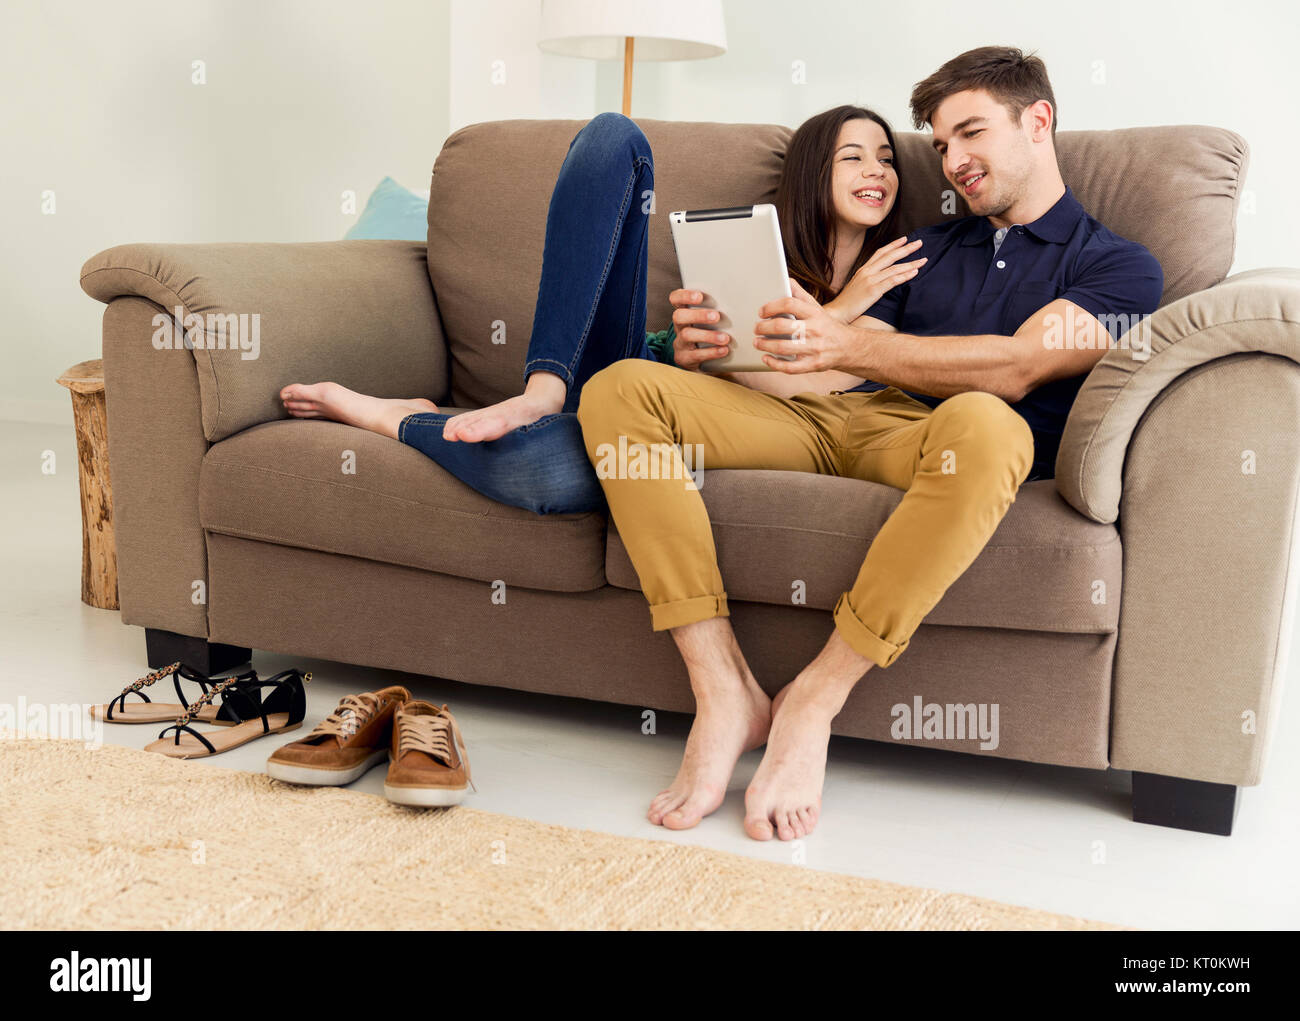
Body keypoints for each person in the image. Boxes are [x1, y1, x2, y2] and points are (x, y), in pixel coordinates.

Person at [575, 46, 1164, 841]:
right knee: (619, 389)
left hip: (933, 436)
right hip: (830, 415)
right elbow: (818, 374)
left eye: (969, 134)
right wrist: (723, 355)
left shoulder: (1119, 266)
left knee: (991, 423)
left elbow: (1020, 365)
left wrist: (845, 347)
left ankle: (815, 699)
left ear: (1038, 120)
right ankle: (723, 691)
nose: (952, 161)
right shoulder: (924, 248)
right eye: (941, 143)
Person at [277, 105, 926, 513]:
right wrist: (695, 347)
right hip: (627, 368)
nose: (878, 169)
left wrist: (845, 307)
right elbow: (708, 354)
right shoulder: (755, 251)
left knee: (542, 471)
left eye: (887, 158)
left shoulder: (899, 271)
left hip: (660, 426)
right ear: (815, 172)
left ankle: (400, 419)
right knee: (615, 137)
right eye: (854, 156)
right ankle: (543, 385)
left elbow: (822, 381)